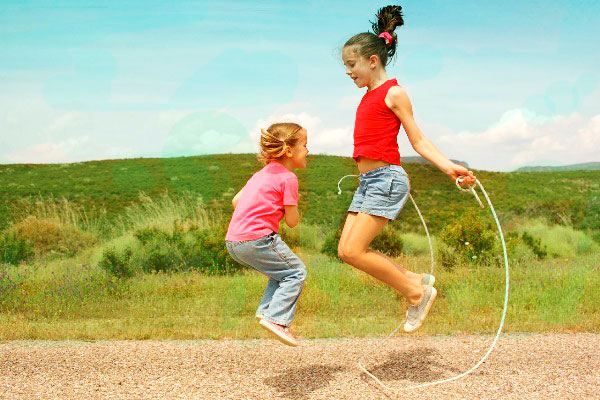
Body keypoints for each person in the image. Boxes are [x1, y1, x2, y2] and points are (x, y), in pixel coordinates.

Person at [338, 5, 476, 333]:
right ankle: (415, 279)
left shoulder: (394, 93)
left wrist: (449, 167)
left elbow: (418, 140)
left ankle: (416, 293)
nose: (348, 72)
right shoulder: (368, 96)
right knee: (346, 251)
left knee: (355, 250)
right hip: (368, 181)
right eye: (345, 66)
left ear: (373, 60)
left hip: (386, 179)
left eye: (351, 65)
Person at [225, 122, 309, 346]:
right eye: (304, 145)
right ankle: (277, 319)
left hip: (234, 241)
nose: (307, 151)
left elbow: (235, 201)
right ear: (289, 151)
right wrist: (292, 205)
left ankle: (266, 312)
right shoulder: (288, 178)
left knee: (281, 273)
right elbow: (292, 222)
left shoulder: (260, 174)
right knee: (296, 272)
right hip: (259, 238)